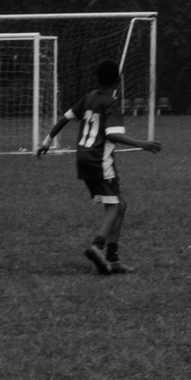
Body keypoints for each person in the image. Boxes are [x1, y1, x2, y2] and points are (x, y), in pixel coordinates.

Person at [36, 58, 161, 275]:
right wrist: (144, 145)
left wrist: (47, 141)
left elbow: (65, 118)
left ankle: (113, 260)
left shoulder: (89, 97)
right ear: (118, 81)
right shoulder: (110, 103)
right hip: (99, 160)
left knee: (120, 205)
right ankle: (97, 246)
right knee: (114, 207)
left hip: (82, 158)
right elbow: (113, 135)